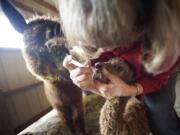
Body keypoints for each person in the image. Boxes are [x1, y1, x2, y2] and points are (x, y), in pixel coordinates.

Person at [58, 0, 180, 135]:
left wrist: (133, 89)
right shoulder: (96, 43)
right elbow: (94, 63)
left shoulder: (165, 40)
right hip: (129, 68)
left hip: (160, 70)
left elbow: (158, 80)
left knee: (157, 106)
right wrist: (89, 80)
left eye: (113, 41)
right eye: (94, 44)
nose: (102, 49)